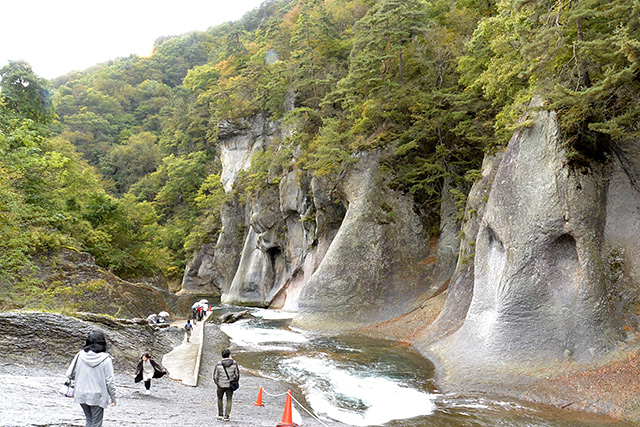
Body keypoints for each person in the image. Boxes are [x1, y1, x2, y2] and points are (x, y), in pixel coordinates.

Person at [66, 330, 117, 427]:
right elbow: (110, 381)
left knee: (89, 421)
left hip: (80, 392)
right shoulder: (106, 359)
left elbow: (69, 374)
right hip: (97, 395)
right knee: (96, 423)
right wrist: (113, 398)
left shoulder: (80, 355)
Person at [213, 348, 240, 421]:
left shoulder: (219, 364)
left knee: (219, 398)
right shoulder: (234, 363)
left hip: (220, 384)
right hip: (230, 385)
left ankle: (220, 414)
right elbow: (237, 374)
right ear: (229, 355)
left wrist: (217, 383)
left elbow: (215, 376)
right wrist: (235, 381)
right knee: (229, 399)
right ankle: (226, 416)